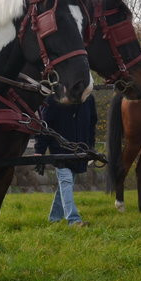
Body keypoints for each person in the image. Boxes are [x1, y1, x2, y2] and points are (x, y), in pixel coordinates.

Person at [34, 93, 98, 227]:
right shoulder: (53, 99)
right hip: (59, 150)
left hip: (80, 150)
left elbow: (92, 123)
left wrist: (91, 146)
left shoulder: (88, 99)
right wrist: (39, 151)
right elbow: (44, 126)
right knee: (66, 181)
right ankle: (74, 220)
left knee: (65, 185)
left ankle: (54, 218)